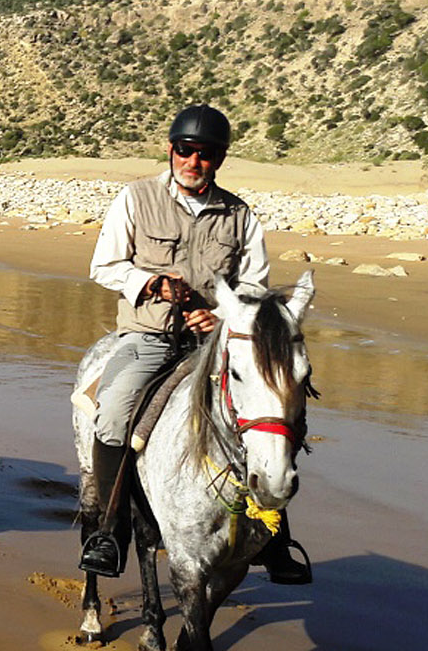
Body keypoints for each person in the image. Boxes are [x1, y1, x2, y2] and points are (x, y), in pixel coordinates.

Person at [79, 104, 310, 584]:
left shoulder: (239, 215)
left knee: (273, 410)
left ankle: (275, 534)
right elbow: (104, 266)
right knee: (115, 409)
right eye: (185, 151)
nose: (194, 161)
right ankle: (109, 528)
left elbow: (254, 287)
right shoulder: (135, 198)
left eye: (206, 154)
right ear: (170, 150)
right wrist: (153, 283)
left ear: (219, 160)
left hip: (217, 340)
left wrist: (221, 314)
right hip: (148, 334)